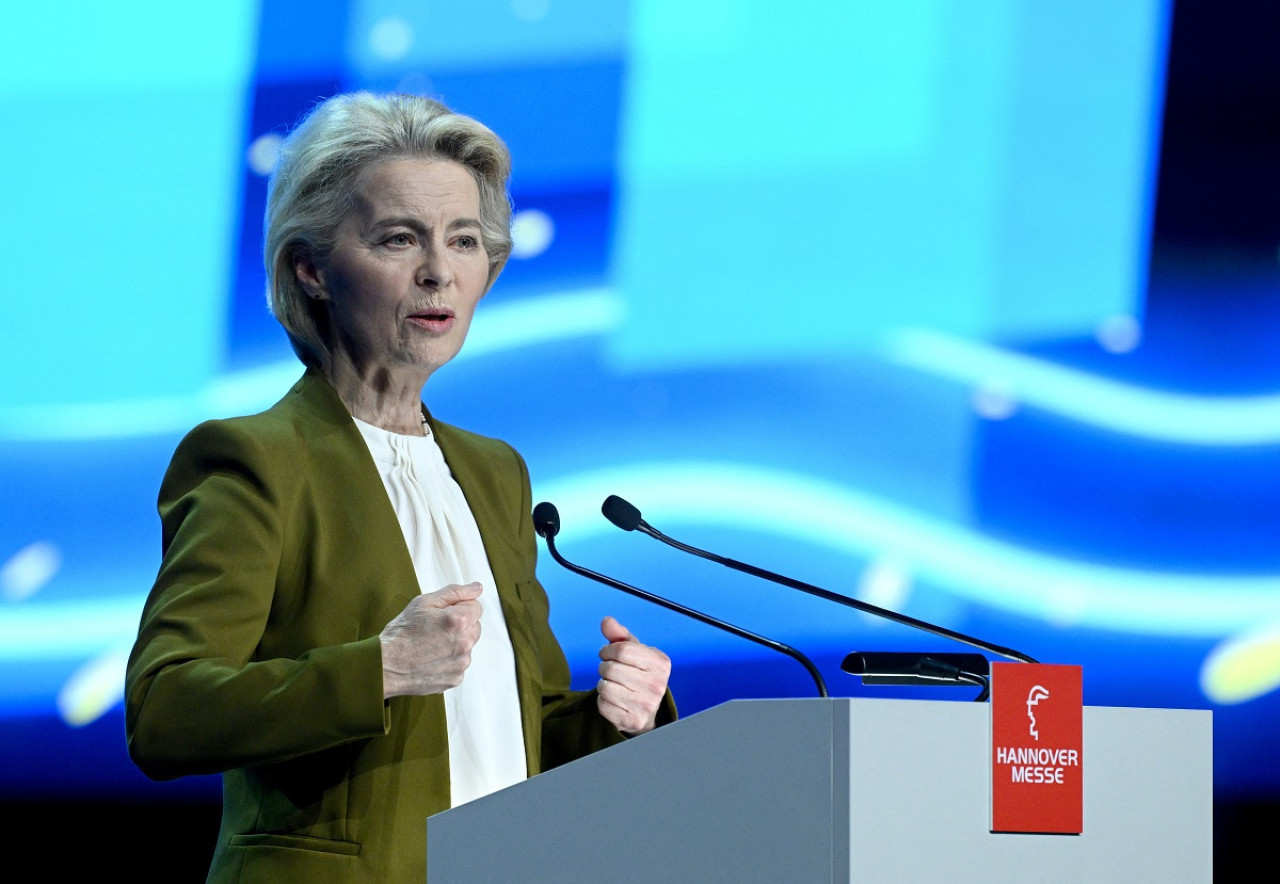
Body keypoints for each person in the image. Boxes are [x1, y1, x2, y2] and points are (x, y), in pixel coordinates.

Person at [125, 92, 674, 883]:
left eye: (463, 240)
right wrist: (378, 668)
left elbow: (517, 740)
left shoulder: (495, 473)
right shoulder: (254, 460)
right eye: (398, 239)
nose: (438, 272)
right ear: (311, 268)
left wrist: (616, 717)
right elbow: (165, 712)